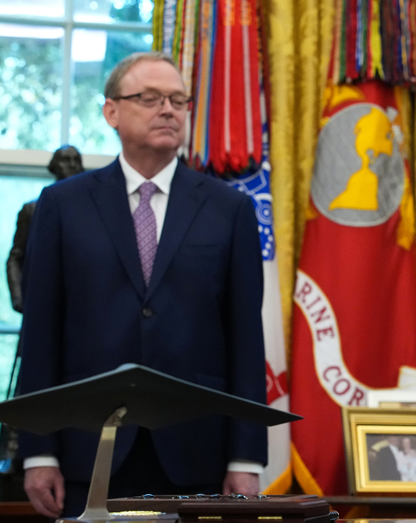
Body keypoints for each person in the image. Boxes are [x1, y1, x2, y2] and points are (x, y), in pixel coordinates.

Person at [17, 52, 267, 519]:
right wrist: (39, 451)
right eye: (149, 98)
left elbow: (246, 341)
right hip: (85, 448)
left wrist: (246, 456)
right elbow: (41, 333)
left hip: (197, 452)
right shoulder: (62, 206)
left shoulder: (228, 210)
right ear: (111, 111)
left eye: (178, 99)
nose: (168, 109)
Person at [7, 145, 84, 314]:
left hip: (79, 306)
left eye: (76, 160)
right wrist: (18, 297)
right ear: (53, 166)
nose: (72, 165)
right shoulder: (32, 209)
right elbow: (15, 257)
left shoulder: (91, 210)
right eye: (65, 159)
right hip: (39, 302)